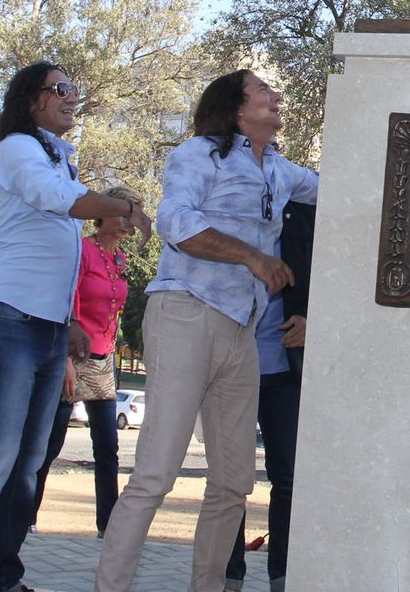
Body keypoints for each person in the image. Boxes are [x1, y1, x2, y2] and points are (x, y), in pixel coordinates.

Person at [0, 62, 151, 592]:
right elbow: (62, 202)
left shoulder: (60, 161)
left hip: (47, 329)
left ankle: (2, 578)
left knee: (29, 465)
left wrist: (69, 323)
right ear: (32, 101)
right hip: (8, 319)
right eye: (61, 89)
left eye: (75, 89)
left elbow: (65, 227)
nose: (73, 97)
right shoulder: (18, 149)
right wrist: (124, 206)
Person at [97, 70, 318, 592]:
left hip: (242, 333)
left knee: (234, 482)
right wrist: (252, 257)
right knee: (155, 474)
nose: (276, 96)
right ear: (236, 107)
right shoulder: (200, 154)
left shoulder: (282, 172)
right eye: (264, 91)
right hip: (184, 314)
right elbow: (176, 221)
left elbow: (346, 187)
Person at [31, 184, 145, 537]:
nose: (129, 223)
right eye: (124, 214)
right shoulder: (81, 251)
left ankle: (107, 525)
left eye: (133, 216)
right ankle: (24, 515)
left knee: (107, 447)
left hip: (104, 359)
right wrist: (64, 358)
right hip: (72, 355)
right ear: (103, 215)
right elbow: (64, 301)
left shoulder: (121, 260)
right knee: (50, 441)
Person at [222, 198, 313, 592]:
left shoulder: (303, 210)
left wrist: (315, 318)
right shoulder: (224, 208)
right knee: (229, 480)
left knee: (289, 478)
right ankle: (227, 575)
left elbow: (335, 273)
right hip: (230, 366)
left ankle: (283, 577)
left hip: (284, 371)